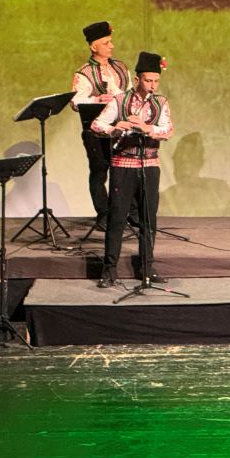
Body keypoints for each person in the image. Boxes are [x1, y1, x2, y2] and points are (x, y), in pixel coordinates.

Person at [90, 51, 173, 286]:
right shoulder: (120, 100)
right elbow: (96, 124)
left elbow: (168, 130)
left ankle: (146, 268)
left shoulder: (161, 102)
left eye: (156, 81)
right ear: (137, 79)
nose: (153, 85)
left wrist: (147, 128)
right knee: (117, 218)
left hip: (149, 166)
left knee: (148, 220)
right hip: (123, 166)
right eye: (148, 80)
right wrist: (117, 127)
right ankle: (109, 270)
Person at [70, 21, 130, 231]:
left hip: (119, 128)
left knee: (122, 171)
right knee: (99, 171)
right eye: (106, 43)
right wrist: (97, 99)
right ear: (93, 46)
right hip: (95, 130)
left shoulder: (120, 67)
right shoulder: (84, 73)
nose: (111, 46)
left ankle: (123, 213)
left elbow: (129, 92)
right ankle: (103, 214)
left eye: (111, 41)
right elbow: (75, 101)